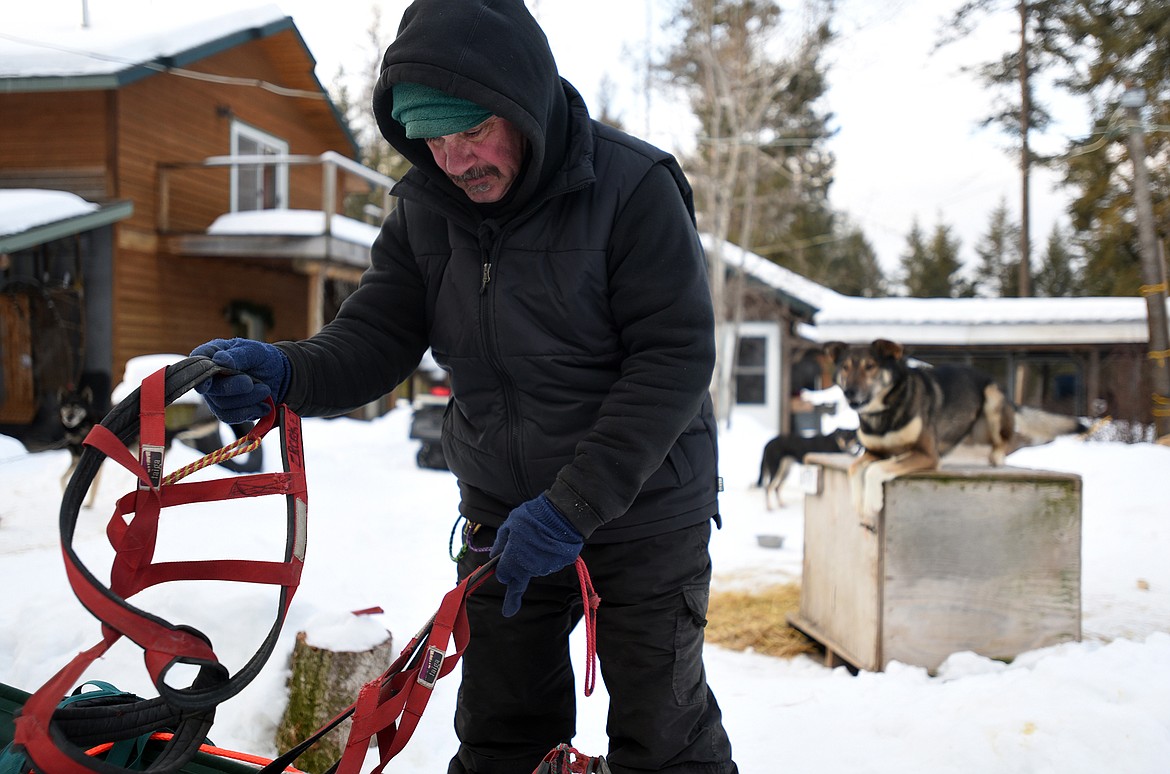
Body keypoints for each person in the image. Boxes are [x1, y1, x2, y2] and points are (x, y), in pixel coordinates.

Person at [191, 1, 737, 772]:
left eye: (472, 132)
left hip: (642, 509)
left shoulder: (632, 186)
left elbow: (672, 360)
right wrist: (287, 373)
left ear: (526, 105)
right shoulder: (424, 209)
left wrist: (574, 505)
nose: (454, 160)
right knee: (501, 735)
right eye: (433, 140)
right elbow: (375, 337)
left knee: (663, 737)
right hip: (505, 520)